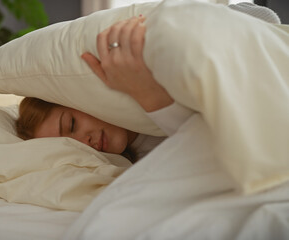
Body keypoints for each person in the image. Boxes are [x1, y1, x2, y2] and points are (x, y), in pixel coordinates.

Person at [16, 3, 281, 162]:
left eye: (71, 125)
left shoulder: (155, 74)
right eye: (69, 147)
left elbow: (266, 19)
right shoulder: (132, 167)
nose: (83, 143)